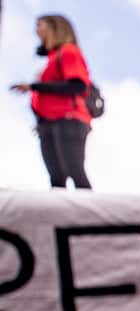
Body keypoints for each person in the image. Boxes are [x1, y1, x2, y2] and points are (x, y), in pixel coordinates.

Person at [9, 14, 93, 189]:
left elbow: (77, 86)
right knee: (56, 177)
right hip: (48, 123)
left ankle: (89, 214)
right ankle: (59, 215)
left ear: (55, 28)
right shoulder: (52, 58)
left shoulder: (68, 52)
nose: (36, 30)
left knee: (75, 170)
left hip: (69, 120)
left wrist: (36, 86)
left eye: (40, 25)